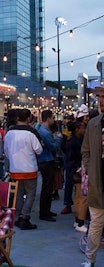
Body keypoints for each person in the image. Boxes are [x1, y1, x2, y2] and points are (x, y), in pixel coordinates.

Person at [4, 108, 42, 230]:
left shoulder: (9, 133)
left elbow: (6, 151)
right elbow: (39, 150)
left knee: (18, 194)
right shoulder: (31, 132)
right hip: (29, 168)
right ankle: (24, 217)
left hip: (15, 169)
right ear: (29, 118)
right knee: (30, 194)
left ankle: (16, 217)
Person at [81, 86, 104, 267]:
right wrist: (89, 168)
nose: (101, 100)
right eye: (99, 97)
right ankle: (89, 259)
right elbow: (85, 150)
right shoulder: (93, 123)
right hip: (97, 182)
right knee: (96, 224)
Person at [37, 110, 62, 222]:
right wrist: (58, 138)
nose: (53, 120)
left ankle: (46, 210)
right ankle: (44, 212)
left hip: (46, 160)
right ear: (48, 119)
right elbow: (53, 147)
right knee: (47, 187)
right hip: (46, 161)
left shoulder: (42, 130)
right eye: (52, 118)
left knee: (48, 187)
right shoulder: (45, 132)